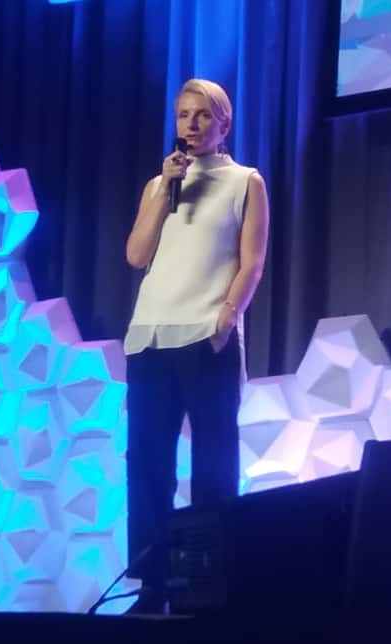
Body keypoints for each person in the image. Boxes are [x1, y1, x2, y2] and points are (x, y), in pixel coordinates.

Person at [122, 78, 269, 615]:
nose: (190, 124)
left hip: (207, 334)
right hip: (151, 335)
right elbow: (137, 255)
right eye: (183, 114)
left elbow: (251, 261)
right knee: (147, 463)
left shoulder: (245, 181)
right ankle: (151, 584)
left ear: (223, 124)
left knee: (212, 463)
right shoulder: (159, 184)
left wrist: (226, 317)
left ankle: (207, 584)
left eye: (202, 115)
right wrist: (162, 191)